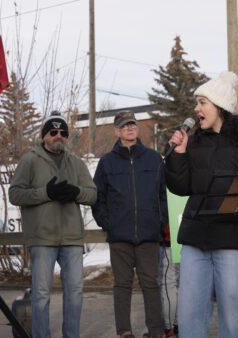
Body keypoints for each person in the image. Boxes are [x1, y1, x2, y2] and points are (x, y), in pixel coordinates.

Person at [165, 71, 238, 338]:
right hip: (196, 240)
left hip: (234, 241)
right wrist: (177, 157)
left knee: (234, 311)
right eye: (197, 103)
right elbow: (180, 187)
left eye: (202, 102)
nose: (196, 108)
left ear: (220, 106)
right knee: (190, 313)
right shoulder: (192, 143)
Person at [9, 112, 97, 338]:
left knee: (75, 293)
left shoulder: (76, 163)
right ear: (44, 135)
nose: (58, 136)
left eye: (63, 133)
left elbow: (93, 194)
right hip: (42, 238)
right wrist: (45, 193)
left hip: (72, 238)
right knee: (40, 295)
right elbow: (15, 194)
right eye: (53, 132)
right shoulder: (29, 160)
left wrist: (76, 192)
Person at [91, 111, 167, 338]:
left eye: (132, 125)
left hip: (148, 236)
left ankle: (155, 332)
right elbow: (98, 197)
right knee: (122, 286)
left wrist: (159, 221)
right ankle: (124, 331)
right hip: (120, 237)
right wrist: (108, 223)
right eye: (124, 126)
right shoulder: (106, 162)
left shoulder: (154, 159)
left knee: (151, 285)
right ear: (117, 131)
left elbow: (163, 194)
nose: (129, 129)